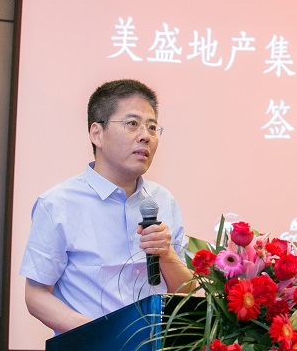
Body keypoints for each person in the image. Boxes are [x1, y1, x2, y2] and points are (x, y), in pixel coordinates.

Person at [20, 79, 194, 334]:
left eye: (152, 127)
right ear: (97, 133)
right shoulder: (58, 203)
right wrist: (100, 335)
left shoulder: (162, 200)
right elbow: (36, 295)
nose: (145, 136)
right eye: (132, 123)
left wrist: (166, 254)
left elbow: (186, 291)